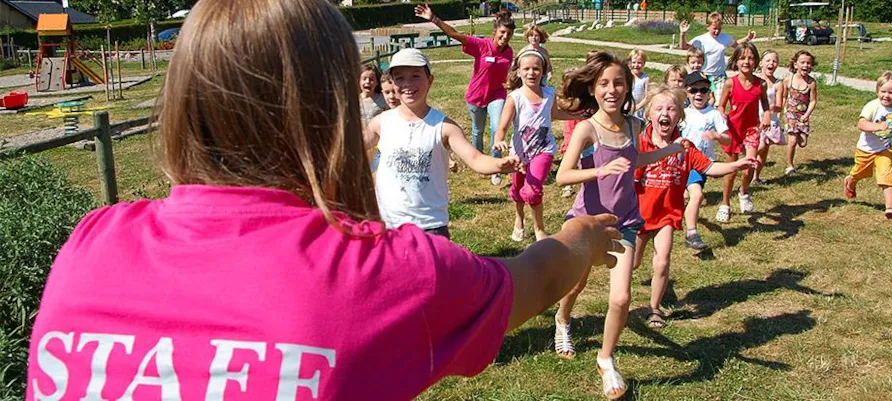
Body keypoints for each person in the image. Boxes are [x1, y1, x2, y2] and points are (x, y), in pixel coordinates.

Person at [25, 1, 627, 400]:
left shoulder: (90, 245)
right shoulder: (378, 270)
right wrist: (585, 236)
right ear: (334, 107)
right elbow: (535, 279)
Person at [553, 52, 689, 401]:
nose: (611, 90)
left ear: (627, 86)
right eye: (603, 84)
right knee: (576, 284)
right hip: (587, 224)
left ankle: (606, 358)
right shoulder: (587, 128)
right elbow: (562, 176)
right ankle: (563, 321)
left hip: (625, 223)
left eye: (618, 83)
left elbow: (634, 159)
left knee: (622, 298)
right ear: (594, 89)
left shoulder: (632, 126)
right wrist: (599, 170)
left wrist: (669, 150)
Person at [364, 49, 521, 239]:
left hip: (430, 226)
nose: (407, 84)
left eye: (415, 76)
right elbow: (350, 147)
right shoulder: (382, 122)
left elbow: (475, 158)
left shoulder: (444, 127)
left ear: (430, 80)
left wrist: (498, 164)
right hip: (388, 225)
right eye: (400, 78)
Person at [634, 86, 755, 328]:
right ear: (649, 115)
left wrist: (737, 165)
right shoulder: (640, 144)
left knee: (662, 260)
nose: (664, 113)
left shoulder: (686, 146)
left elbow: (709, 168)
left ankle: (655, 309)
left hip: (667, 215)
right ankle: (621, 296)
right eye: (659, 108)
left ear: (679, 116)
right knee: (633, 264)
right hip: (638, 215)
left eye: (671, 109)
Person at [417, 4, 514, 186]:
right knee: (477, 131)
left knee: (496, 127)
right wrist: (433, 18)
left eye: (508, 34)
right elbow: (454, 35)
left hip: (497, 95)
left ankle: (495, 164)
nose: (504, 37)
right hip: (476, 96)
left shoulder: (509, 52)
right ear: (495, 31)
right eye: (502, 33)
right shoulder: (481, 45)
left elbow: (507, 72)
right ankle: (478, 160)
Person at [493, 50, 577, 242]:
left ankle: (539, 229)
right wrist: (499, 139)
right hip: (519, 154)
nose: (531, 73)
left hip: (544, 150)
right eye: (527, 69)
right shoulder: (515, 98)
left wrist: (579, 115)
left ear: (543, 71)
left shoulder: (549, 93)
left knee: (532, 190)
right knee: (517, 190)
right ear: (519, 72)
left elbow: (555, 114)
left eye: (536, 69)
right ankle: (519, 218)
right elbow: (502, 127)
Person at [717, 42, 770, 223]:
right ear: (736, 61)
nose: (746, 61)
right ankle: (725, 204)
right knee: (731, 171)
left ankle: (743, 192)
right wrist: (722, 115)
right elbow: (721, 105)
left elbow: (765, 104)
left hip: (751, 130)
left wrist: (767, 116)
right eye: (742, 58)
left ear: (755, 61)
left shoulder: (760, 84)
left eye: (750, 58)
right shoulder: (730, 83)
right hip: (734, 129)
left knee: (749, 167)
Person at [680, 72, 731, 250]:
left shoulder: (714, 114)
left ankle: (689, 228)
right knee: (694, 195)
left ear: (709, 92)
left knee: (694, 195)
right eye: (694, 90)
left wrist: (717, 136)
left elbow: (728, 139)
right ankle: (692, 233)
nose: (698, 94)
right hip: (679, 162)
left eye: (703, 90)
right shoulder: (682, 113)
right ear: (687, 92)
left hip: (701, 164)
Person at [844, 71, 892, 220]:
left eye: (891, 92)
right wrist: (877, 127)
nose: (886, 95)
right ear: (877, 90)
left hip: (884, 149)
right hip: (866, 149)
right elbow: (861, 124)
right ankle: (851, 181)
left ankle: (890, 207)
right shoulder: (872, 106)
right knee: (861, 172)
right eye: (883, 91)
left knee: (887, 175)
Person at [679, 12, 756, 101]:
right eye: (714, 29)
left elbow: (736, 45)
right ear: (708, 26)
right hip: (704, 75)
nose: (717, 31)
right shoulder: (701, 40)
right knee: (704, 100)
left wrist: (747, 38)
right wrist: (682, 34)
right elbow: (684, 46)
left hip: (719, 76)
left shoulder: (725, 38)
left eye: (719, 29)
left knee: (719, 101)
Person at [558, 50, 601, 199]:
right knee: (570, 149)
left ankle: (585, 182)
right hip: (572, 123)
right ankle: (568, 185)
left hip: (586, 123)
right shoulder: (574, 91)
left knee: (588, 153)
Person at [783, 50, 818, 175]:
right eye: (802, 62)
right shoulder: (788, 80)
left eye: (808, 63)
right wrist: (783, 111)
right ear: (795, 64)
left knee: (802, 143)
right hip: (790, 114)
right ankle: (790, 165)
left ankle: (798, 135)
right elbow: (783, 96)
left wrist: (806, 115)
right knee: (792, 141)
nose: (805, 65)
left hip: (803, 115)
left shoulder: (811, 83)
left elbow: (813, 101)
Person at [753, 50, 785, 184]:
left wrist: (772, 108)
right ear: (761, 63)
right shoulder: (754, 80)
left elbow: (779, 106)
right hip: (755, 119)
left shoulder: (778, 84)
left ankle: (756, 177)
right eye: (768, 60)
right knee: (758, 147)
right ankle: (745, 165)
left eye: (774, 61)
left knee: (764, 151)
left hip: (770, 121)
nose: (771, 63)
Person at [627, 48, 649, 121]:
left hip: (639, 108)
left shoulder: (645, 78)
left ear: (644, 63)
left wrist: (637, 107)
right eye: (634, 62)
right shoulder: (627, 76)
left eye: (639, 62)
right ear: (630, 63)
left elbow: (647, 96)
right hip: (627, 106)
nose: (636, 65)